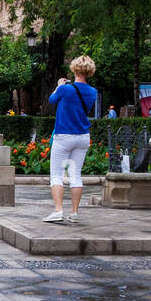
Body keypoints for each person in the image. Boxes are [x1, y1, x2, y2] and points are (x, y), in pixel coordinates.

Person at [44, 55, 98, 224]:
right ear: (90, 72)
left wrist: (58, 85)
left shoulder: (65, 89)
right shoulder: (93, 91)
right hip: (82, 136)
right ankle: (74, 212)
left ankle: (58, 210)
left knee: (57, 175)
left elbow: (52, 100)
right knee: (75, 175)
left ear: (74, 69)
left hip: (64, 135)